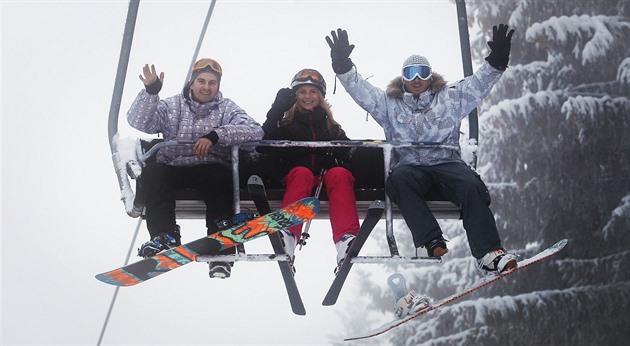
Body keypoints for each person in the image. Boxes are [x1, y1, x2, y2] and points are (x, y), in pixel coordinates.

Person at [325, 25, 518, 273]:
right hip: (410, 167)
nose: (416, 79)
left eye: (422, 72)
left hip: (445, 162)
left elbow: (478, 85)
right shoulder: (388, 104)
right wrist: (342, 65)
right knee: (398, 180)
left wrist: (497, 60)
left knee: (471, 186)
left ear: (430, 76)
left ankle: (490, 252)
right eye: (411, 73)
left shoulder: (450, 98)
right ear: (403, 77)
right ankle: (431, 239)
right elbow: (361, 91)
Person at [127, 58, 264, 279]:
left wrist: (216, 135)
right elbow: (139, 122)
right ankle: (164, 234)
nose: (206, 87)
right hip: (175, 165)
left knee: (219, 176)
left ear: (218, 86)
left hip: (210, 167)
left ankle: (221, 236)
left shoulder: (226, 108)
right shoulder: (172, 106)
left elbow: (255, 132)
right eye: (201, 81)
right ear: (191, 83)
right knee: (154, 173)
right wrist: (151, 93)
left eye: (212, 83)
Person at [260, 68, 360, 270]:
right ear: (295, 96)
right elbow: (262, 143)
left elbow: (348, 151)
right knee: (302, 173)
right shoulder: (286, 123)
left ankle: (346, 240)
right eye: (302, 92)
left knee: (340, 174)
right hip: (296, 179)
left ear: (320, 96)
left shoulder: (330, 126)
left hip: (324, 180)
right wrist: (275, 112)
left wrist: (343, 158)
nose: (308, 96)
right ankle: (287, 235)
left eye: (312, 92)